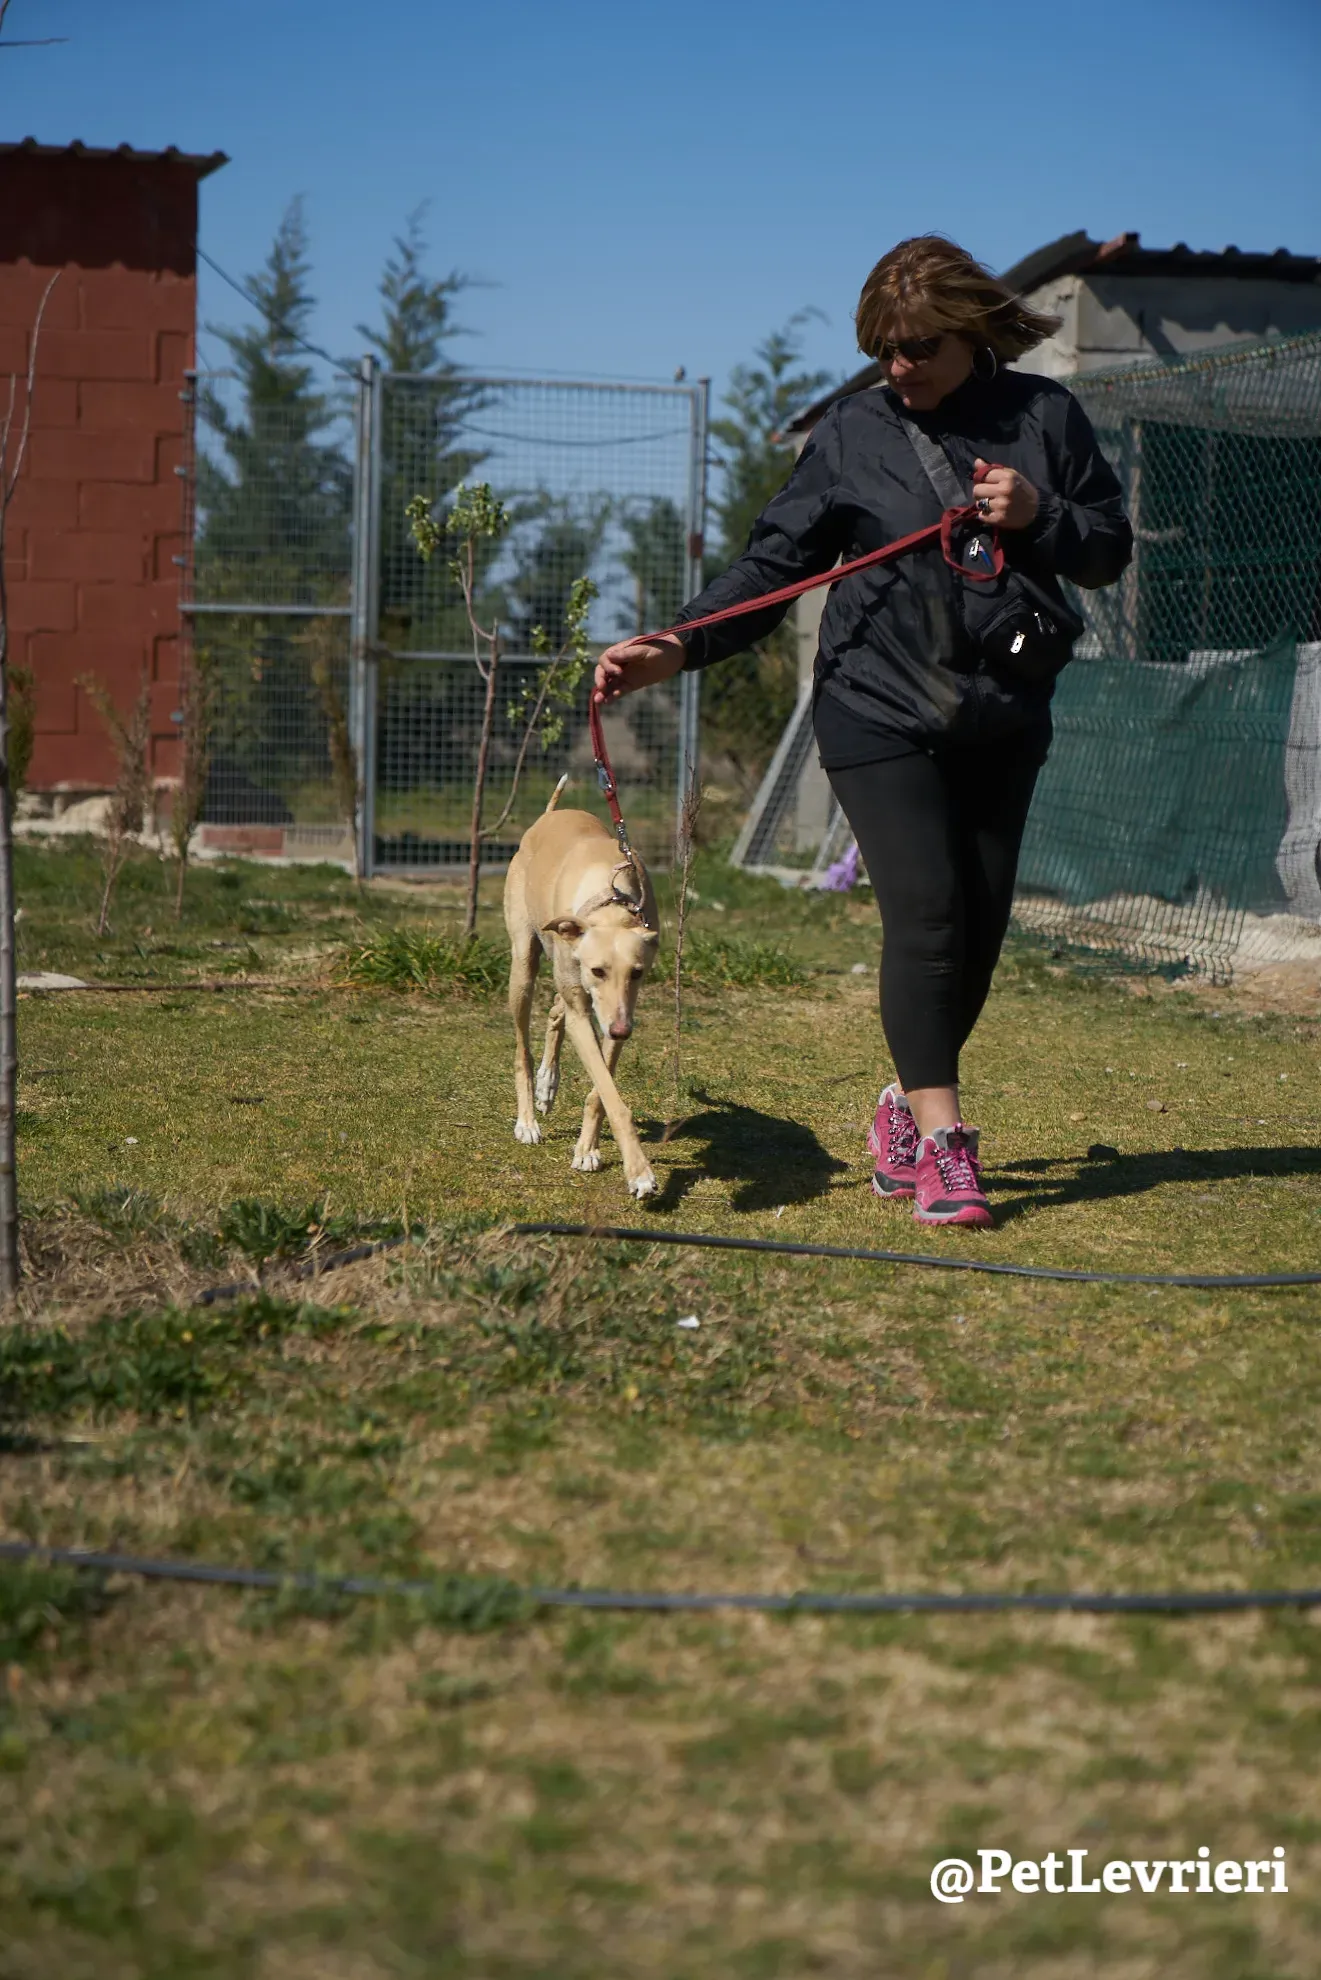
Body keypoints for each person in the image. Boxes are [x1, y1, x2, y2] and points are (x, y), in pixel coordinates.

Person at [595, 236, 1132, 1229]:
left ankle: (898, 1107)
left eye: (917, 347)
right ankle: (943, 1147)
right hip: (873, 704)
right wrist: (673, 646)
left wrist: (1039, 512)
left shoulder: (1043, 418)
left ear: (970, 333)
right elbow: (769, 572)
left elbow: (1105, 549)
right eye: (880, 348)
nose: (897, 367)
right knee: (926, 915)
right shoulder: (851, 435)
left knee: (973, 930)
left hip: (1002, 712)